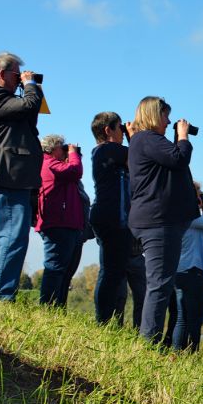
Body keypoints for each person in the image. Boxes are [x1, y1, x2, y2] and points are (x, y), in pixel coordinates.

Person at [127, 96, 199, 342]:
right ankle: (148, 343)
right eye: (166, 116)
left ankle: (150, 339)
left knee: (161, 283)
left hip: (158, 221)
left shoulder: (147, 141)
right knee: (160, 284)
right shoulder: (147, 138)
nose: (169, 122)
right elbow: (179, 158)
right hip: (158, 222)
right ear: (153, 115)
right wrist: (182, 136)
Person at [0, 51, 44, 301]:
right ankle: (2, 294)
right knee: (12, 237)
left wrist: (31, 87)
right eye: (16, 74)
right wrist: (31, 86)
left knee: (2, 236)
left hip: (8, 174)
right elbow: (28, 104)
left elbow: (29, 117)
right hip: (10, 174)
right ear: (2, 74)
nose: (20, 79)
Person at [89, 111, 133, 324]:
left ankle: (105, 321)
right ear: (108, 130)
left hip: (109, 216)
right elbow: (140, 156)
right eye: (120, 128)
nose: (123, 133)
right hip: (111, 217)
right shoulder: (107, 149)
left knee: (112, 271)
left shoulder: (106, 152)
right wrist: (135, 136)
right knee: (110, 272)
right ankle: (102, 321)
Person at [171, 188, 203, 352]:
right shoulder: (190, 216)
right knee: (194, 317)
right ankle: (191, 353)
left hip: (180, 271)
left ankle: (178, 354)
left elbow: (193, 239)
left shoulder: (178, 214)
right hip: (192, 273)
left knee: (182, 317)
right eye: (199, 195)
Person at [35, 135, 83, 306]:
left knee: (62, 269)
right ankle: (47, 306)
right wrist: (73, 153)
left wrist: (72, 156)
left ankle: (56, 307)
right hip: (58, 223)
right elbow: (75, 171)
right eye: (61, 147)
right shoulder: (49, 163)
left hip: (63, 222)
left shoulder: (54, 164)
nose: (64, 150)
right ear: (52, 148)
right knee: (55, 268)